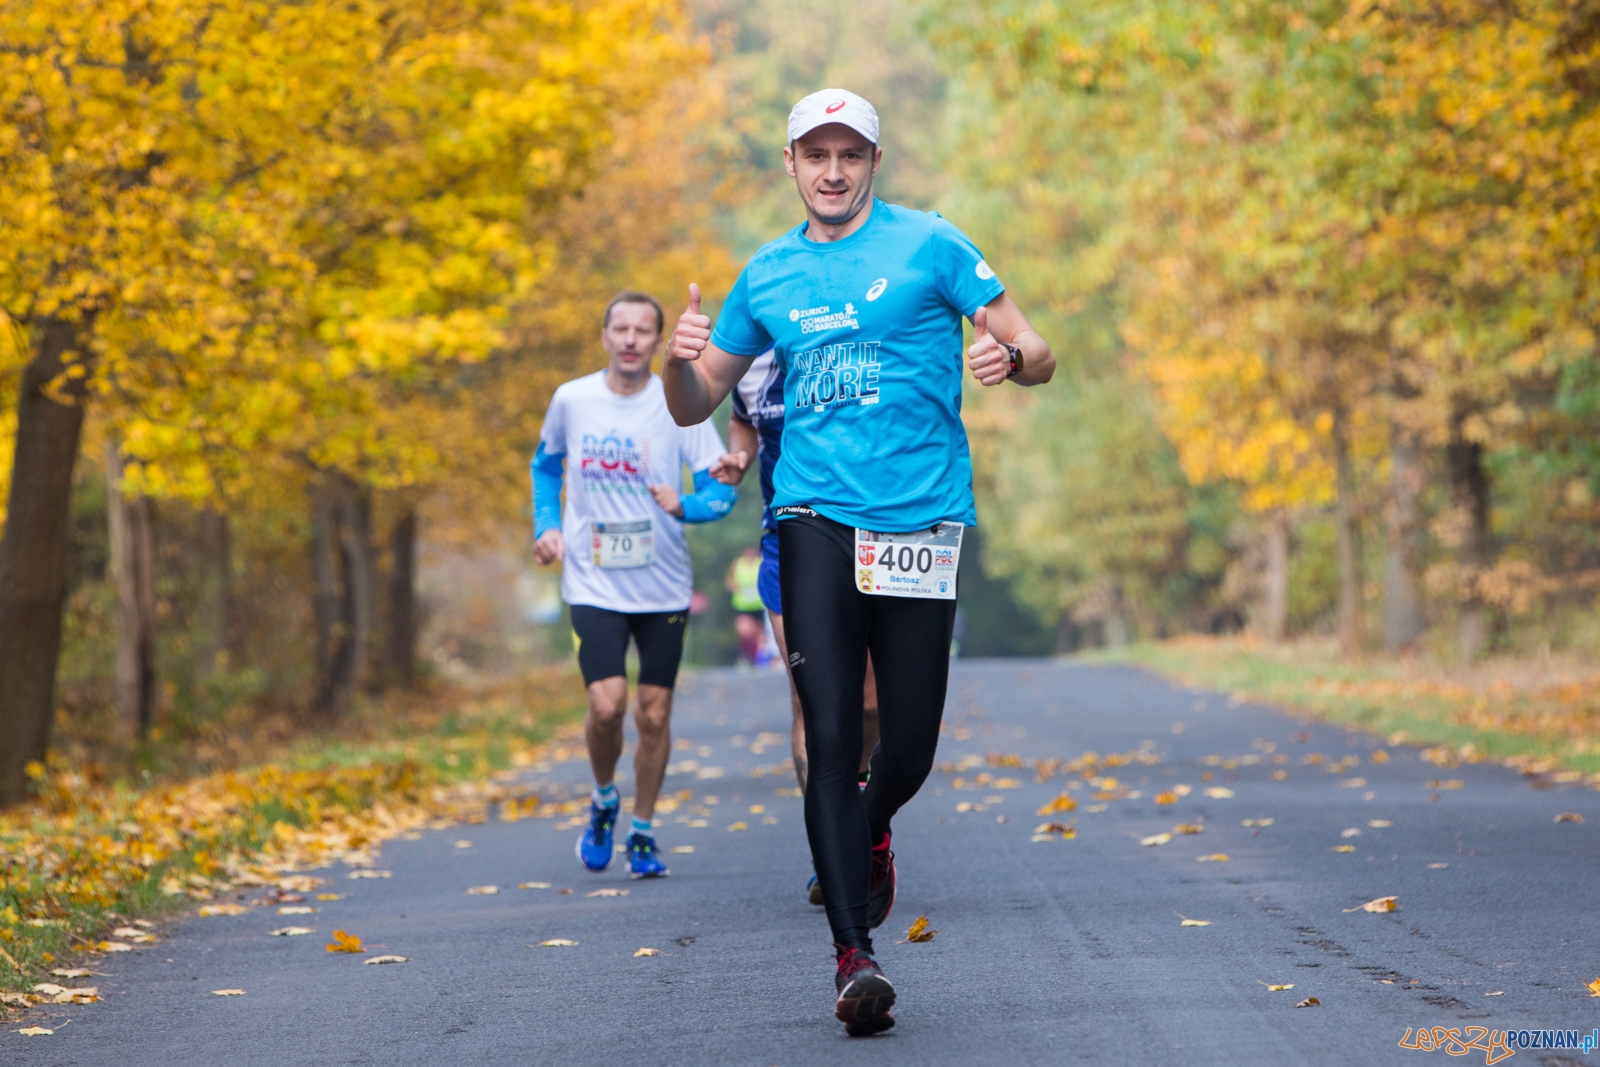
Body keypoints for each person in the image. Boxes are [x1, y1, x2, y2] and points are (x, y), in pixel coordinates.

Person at [664, 89, 1055, 1036]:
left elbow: (1036, 347)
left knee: (908, 744)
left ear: (874, 162)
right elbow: (690, 404)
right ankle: (853, 958)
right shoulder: (767, 273)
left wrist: (1012, 361)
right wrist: (680, 363)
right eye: (815, 154)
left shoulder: (932, 245)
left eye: (850, 154)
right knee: (831, 738)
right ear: (791, 164)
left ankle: (871, 828)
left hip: (921, 521)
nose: (832, 170)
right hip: (813, 518)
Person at [532, 290, 738, 880]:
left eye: (642, 331)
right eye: (619, 329)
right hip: (592, 582)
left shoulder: (680, 404)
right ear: (604, 336)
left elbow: (720, 492)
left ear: (658, 341)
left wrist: (687, 506)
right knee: (606, 705)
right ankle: (603, 799)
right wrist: (547, 526)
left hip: (663, 586)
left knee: (653, 713)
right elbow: (545, 467)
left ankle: (643, 830)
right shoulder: (572, 400)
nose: (629, 339)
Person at [713, 351, 880, 907]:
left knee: (871, 704)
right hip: (788, 543)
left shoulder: (850, 338)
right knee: (813, 702)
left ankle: (867, 825)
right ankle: (830, 850)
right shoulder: (750, 359)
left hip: (875, 534)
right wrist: (739, 456)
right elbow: (741, 417)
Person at [725, 544, 765, 664]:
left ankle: (757, 659)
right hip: (742, 606)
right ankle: (745, 654)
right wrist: (733, 586)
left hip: (759, 606)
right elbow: (729, 580)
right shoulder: (737, 564)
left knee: (758, 635)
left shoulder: (760, 564)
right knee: (745, 632)